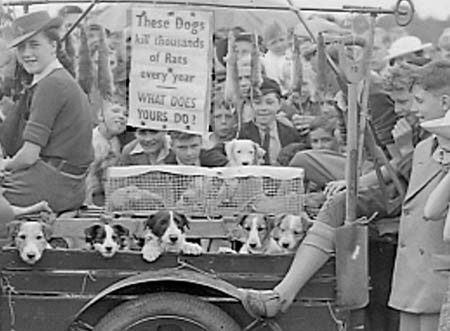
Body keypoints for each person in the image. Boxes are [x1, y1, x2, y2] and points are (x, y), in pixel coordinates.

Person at [1, 11, 94, 213]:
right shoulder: (58, 79)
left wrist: (4, 166)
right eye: (21, 47)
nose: (26, 53)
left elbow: (28, 156)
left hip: (52, 184)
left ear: (53, 46)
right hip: (68, 184)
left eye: (34, 45)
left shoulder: (51, 84)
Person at [238, 78, 302, 165]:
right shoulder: (242, 132)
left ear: (279, 104)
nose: (263, 108)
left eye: (269, 103)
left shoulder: (290, 133)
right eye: (257, 103)